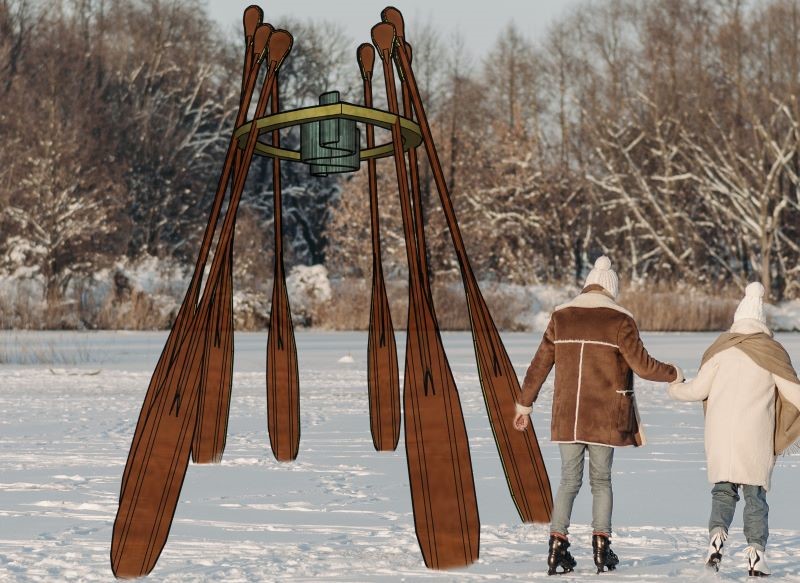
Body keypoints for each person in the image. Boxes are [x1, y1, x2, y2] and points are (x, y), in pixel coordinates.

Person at [512, 255, 682, 576]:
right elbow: (643, 365)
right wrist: (674, 373)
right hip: (604, 415)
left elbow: (539, 366)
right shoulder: (620, 320)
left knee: (567, 481)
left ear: (587, 283)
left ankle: (556, 546)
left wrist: (524, 404)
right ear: (610, 288)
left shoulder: (561, 317)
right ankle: (602, 547)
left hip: (567, 415)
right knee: (601, 481)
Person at [667, 282, 800, 577]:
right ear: (762, 323)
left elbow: (697, 390)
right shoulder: (771, 353)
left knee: (723, 492)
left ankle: (716, 537)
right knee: (755, 497)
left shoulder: (720, 352)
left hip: (720, 436)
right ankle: (756, 553)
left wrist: (674, 388)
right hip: (754, 437)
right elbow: (795, 396)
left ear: (737, 321)